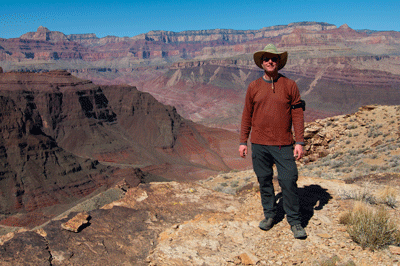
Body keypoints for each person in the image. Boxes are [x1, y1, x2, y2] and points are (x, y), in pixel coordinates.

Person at [239, 44, 307, 239]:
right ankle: (269, 215)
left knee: (289, 180)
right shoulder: (253, 87)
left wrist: (299, 141)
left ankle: (294, 221)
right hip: (259, 144)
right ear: (262, 63)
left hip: (283, 143)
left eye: (274, 59)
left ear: (279, 62)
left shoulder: (290, 85)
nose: (270, 61)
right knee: (264, 181)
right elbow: (246, 115)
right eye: (267, 59)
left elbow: (298, 114)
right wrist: (243, 141)